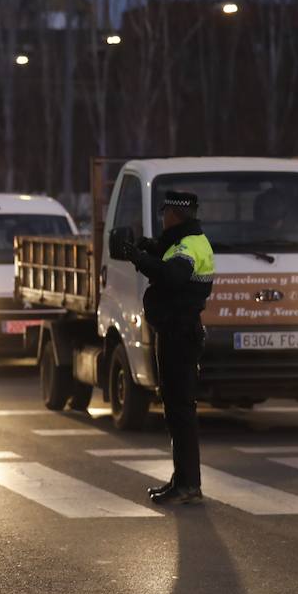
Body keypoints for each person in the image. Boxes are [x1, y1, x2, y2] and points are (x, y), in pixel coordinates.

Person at [111, 189, 215, 505]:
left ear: (173, 214)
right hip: (176, 332)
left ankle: (187, 484)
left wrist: (138, 257)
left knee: (180, 410)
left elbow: (172, 275)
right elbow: (168, 260)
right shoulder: (187, 241)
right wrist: (148, 248)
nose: (162, 218)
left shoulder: (188, 246)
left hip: (179, 335)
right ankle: (182, 480)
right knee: (175, 408)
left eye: (164, 212)